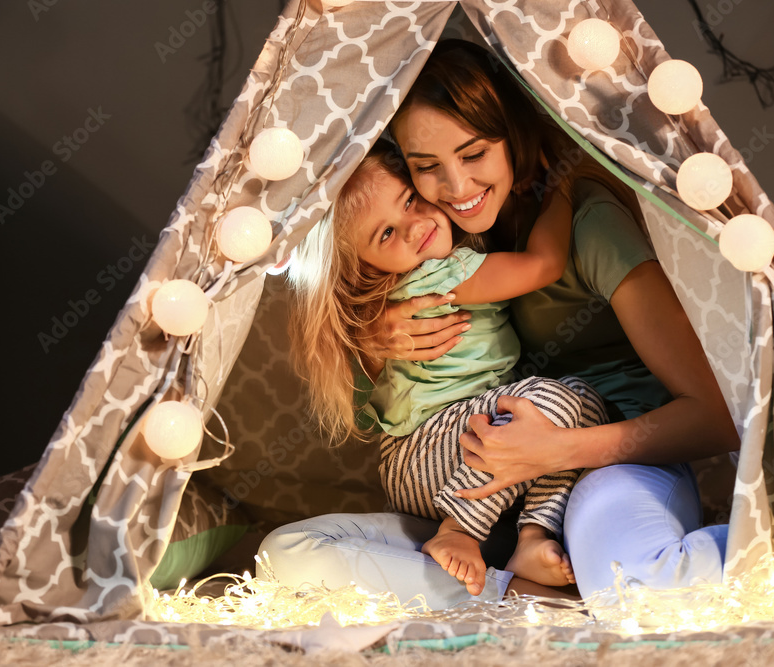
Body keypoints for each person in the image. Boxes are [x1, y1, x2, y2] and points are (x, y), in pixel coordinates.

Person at [259, 39, 738, 606]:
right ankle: (524, 597)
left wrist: (558, 451)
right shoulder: (444, 242)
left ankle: (772, 543)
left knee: (640, 589)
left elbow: (717, 420)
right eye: (426, 168)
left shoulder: (586, 218)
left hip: (603, 471)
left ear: (511, 134)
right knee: (285, 553)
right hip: (488, 492)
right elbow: (354, 292)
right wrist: (371, 331)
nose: (457, 189)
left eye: (475, 153)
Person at [286, 140, 608, 594]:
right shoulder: (439, 276)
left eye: (410, 200)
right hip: (427, 450)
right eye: (386, 234)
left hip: (442, 456)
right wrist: (563, 186)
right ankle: (460, 528)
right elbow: (544, 264)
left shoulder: (398, 292)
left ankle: (533, 536)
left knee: (580, 409)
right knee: (555, 400)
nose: (415, 227)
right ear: (364, 268)